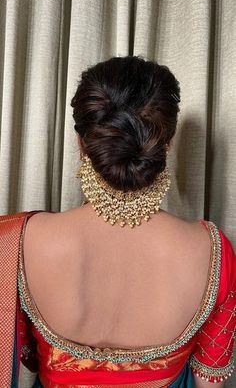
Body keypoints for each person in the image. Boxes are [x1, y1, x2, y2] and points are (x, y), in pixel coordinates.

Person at [0, 56, 235, 387]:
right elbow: (210, 382)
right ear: (166, 144)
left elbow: (21, 361)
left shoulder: (16, 240)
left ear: (81, 144)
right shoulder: (213, 252)